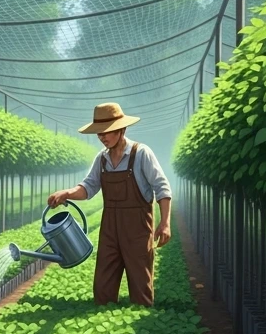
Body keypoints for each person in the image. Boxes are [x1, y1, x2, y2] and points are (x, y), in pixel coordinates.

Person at [46, 102, 172, 306]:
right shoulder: (102, 159)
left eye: (106, 132)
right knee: (103, 286)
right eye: (99, 134)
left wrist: (165, 223)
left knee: (141, 286)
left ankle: (141, 327)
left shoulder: (141, 154)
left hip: (137, 230)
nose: (103, 137)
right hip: (110, 231)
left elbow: (162, 188)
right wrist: (67, 193)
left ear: (121, 129)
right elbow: (89, 187)